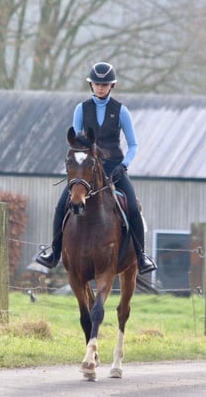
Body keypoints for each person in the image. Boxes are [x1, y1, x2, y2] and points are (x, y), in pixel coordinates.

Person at [35, 61, 158, 275]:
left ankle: (141, 255)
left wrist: (124, 165)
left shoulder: (121, 111)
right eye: (97, 84)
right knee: (61, 205)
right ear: (91, 85)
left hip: (113, 168)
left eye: (105, 84)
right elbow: (75, 140)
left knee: (133, 208)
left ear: (112, 86)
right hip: (87, 170)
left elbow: (134, 144)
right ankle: (54, 252)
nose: (101, 87)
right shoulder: (81, 109)